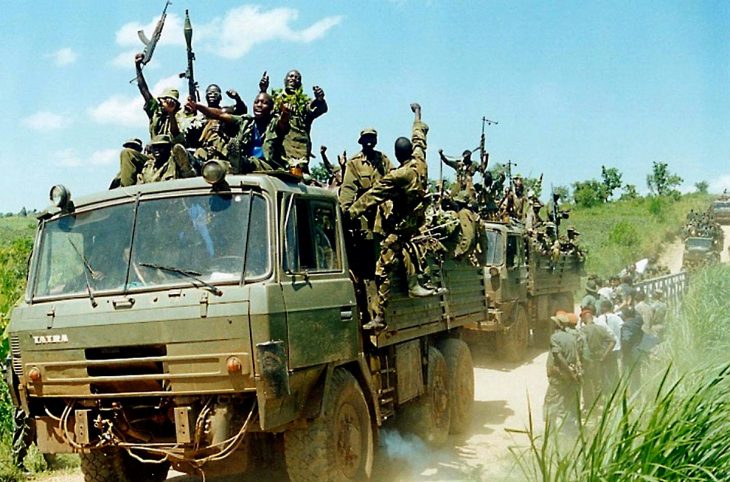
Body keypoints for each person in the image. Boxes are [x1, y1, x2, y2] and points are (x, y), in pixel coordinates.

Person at [347, 103, 442, 331]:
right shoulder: (420, 161)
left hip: (401, 226)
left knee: (382, 267)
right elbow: (419, 137)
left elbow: (373, 196)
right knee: (410, 249)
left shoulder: (399, 175)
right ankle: (420, 280)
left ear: (397, 155)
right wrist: (418, 113)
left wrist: (349, 213)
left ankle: (380, 317)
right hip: (416, 222)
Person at [187, 92, 281, 173]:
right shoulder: (245, 122)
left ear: (271, 109)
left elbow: (283, 122)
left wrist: (285, 113)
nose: (259, 105)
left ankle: (241, 162)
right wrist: (198, 106)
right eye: (256, 102)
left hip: (266, 167)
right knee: (219, 167)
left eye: (264, 103)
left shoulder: (275, 124)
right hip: (240, 164)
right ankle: (195, 164)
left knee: (250, 162)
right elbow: (220, 114)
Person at [261, 70, 328, 170]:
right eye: (291, 76)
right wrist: (263, 91)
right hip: (276, 153)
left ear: (300, 84)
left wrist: (320, 100)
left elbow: (316, 109)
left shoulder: (304, 103)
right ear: (285, 80)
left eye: (297, 78)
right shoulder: (275, 100)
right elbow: (262, 113)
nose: (293, 79)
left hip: (297, 154)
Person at [133, 53, 185, 145]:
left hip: (171, 152)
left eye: (172, 101)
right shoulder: (156, 111)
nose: (168, 102)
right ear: (160, 101)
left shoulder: (180, 116)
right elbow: (144, 89)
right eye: (165, 99)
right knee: (127, 152)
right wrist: (138, 66)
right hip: (155, 150)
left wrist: (171, 112)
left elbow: (176, 134)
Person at [544, 313, 583, 433]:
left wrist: (568, 371)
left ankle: (550, 432)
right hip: (570, 378)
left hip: (559, 377)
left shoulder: (555, 338)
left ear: (557, 325)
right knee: (568, 403)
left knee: (551, 403)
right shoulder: (571, 337)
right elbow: (577, 355)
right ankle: (570, 431)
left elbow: (558, 356)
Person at [579, 306, 616, 410]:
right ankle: (599, 404)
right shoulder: (601, 329)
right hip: (599, 360)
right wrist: (605, 355)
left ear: (584, 318)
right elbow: (613, 341)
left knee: (587, 384)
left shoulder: (583, 330)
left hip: (587, 361)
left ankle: (588, 406)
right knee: (598, 382)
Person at [594, 299, 623, 393]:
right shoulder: (618, 318)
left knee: (605, 372)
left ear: (604, 308)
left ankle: (607, 391)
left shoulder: (600, 319)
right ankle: (616, 390)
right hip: (617, 347)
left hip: (606, 349)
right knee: (615, 370)